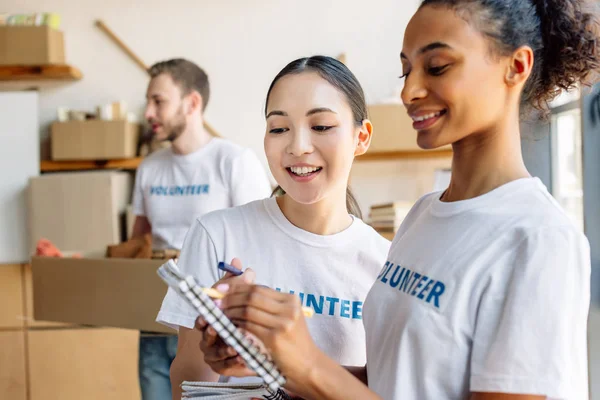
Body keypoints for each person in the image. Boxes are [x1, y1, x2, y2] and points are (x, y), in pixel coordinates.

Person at [207, 1, 600, 399]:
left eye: (437, 67)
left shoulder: (539, 240)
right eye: (406, 69)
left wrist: (310, 365)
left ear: (515, 67)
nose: (409, 91)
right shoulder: (424, 215)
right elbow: (396, 381)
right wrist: (275, 359)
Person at [156, 55, 391, 399]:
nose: (297, 147)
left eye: (321, 126)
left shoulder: (386, 263)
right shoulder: (218, 235)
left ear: (362, 137)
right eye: (279, 128)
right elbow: (186, 384)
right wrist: (214, 346)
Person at [131, 58, 272, 400]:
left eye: (158, 101)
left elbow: (263, 244)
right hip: (154, 323)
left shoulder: (234, 162)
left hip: (212, 331)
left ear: (192, 103)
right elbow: (137, 244)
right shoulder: (149, 169)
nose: (148, 112)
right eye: (148, 101)